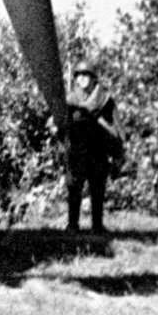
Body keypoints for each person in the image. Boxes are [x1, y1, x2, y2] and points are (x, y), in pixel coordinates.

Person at [64, 64, 120, 234]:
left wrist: (117, 150)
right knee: (74, 188)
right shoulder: (70, 99)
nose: (81, 78)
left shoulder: (105, 99)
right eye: (78, 75)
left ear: (94, 78)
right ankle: (72, 225)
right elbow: (62, 123)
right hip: (77, 150)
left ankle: (97, 225)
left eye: (86, 74)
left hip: (98, 150)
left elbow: (115, 126)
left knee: (97, 189)